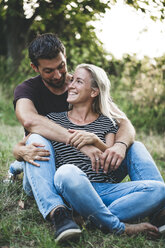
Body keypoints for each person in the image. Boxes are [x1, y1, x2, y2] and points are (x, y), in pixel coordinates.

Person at [10, 33, 165, 241]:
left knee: (138, 151)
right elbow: (30, 124)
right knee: (55, 160)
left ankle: (155, 210)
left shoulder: (85, 87)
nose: (59, 76)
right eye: (49, 71)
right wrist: (20, 152)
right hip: (52, 173)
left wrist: (117, 146)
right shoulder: (32, 94)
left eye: (62, 67)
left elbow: (123, 122)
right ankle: (60, 213)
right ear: (35, 68)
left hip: (99, 180)